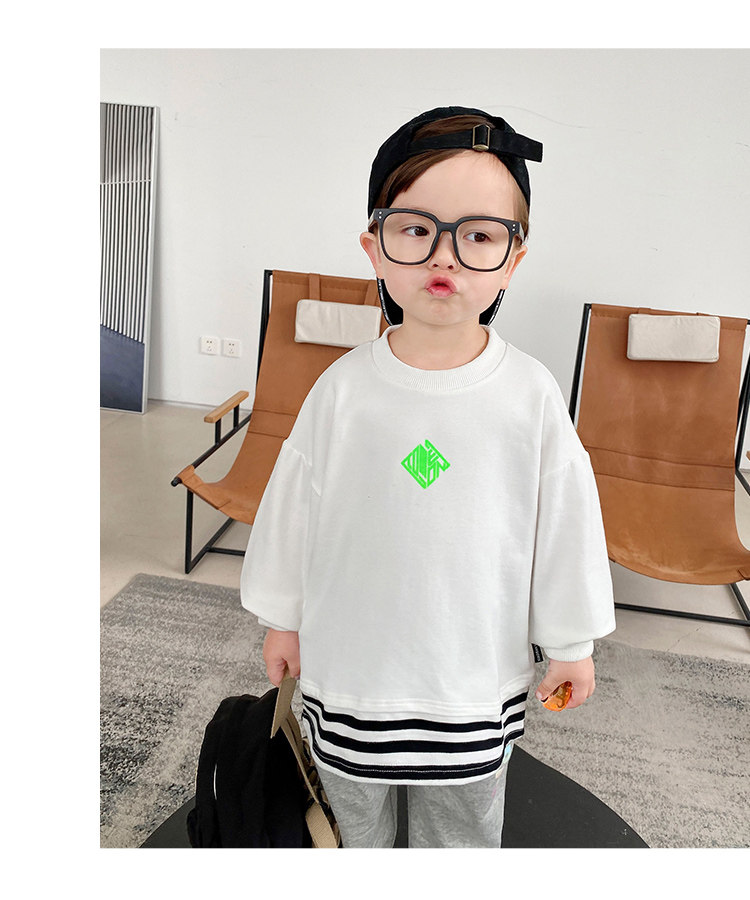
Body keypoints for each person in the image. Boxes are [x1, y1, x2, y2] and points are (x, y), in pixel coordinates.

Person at [240, 105, 616, 848]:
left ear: (514, 258)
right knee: (350, 828)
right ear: (374, 248)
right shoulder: (342, 389)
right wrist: (282, 616)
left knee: (463, 836)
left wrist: (572, 640)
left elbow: (566, 525)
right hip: (353, 669)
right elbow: (294, 511)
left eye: (478, 235)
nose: (445, 257)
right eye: (416, 230)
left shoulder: (531, 395)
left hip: (471, 676)